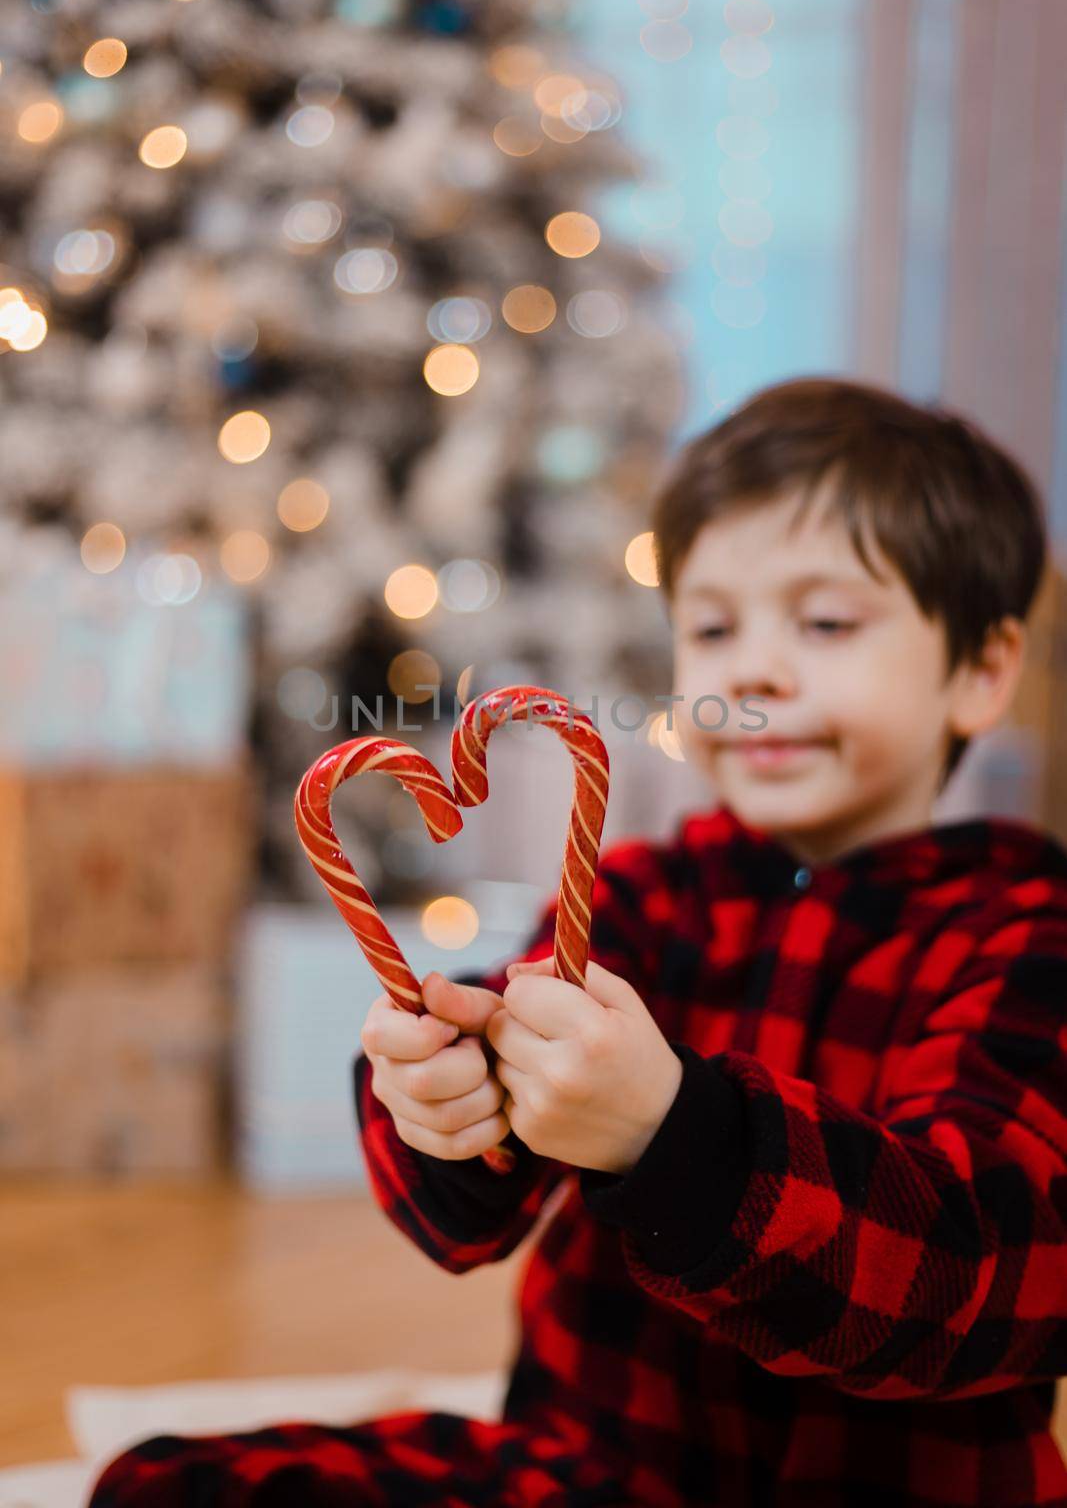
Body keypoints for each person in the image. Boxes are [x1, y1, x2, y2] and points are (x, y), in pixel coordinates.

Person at [88, 377, 1067, 1506]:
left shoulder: (1024, 926)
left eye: (825, 622)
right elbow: (473, 1174)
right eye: (710, 626)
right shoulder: (647, 893)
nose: (747, 669)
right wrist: (445, 1104)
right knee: (161, 1486)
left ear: (980, 671)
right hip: (596, 1472)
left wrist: (675, 1136)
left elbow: (985, 1272)